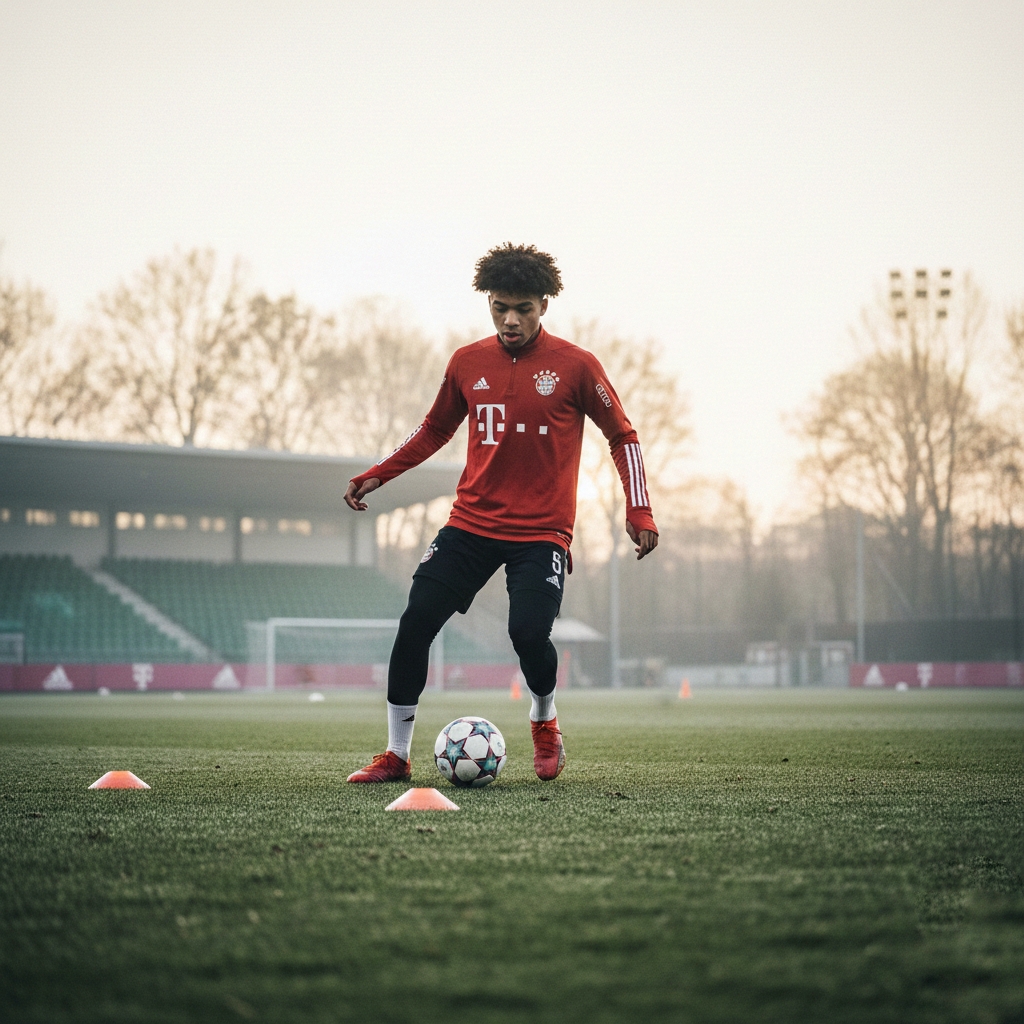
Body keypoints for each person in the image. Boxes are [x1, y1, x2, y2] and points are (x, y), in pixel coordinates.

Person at [344, 243, 659, 783]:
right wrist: (380, 472)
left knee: (528, 634)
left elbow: (622, 435)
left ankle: (544, 720)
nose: (510, 320)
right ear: (489, 303)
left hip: (542, 532)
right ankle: (396, 755)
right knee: (416, 621)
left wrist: (640, 507)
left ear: (544, 306)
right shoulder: (467, 362)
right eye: (500, 308)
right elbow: (435, 428)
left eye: (523, 309)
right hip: (471, 523)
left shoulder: (577, 366)